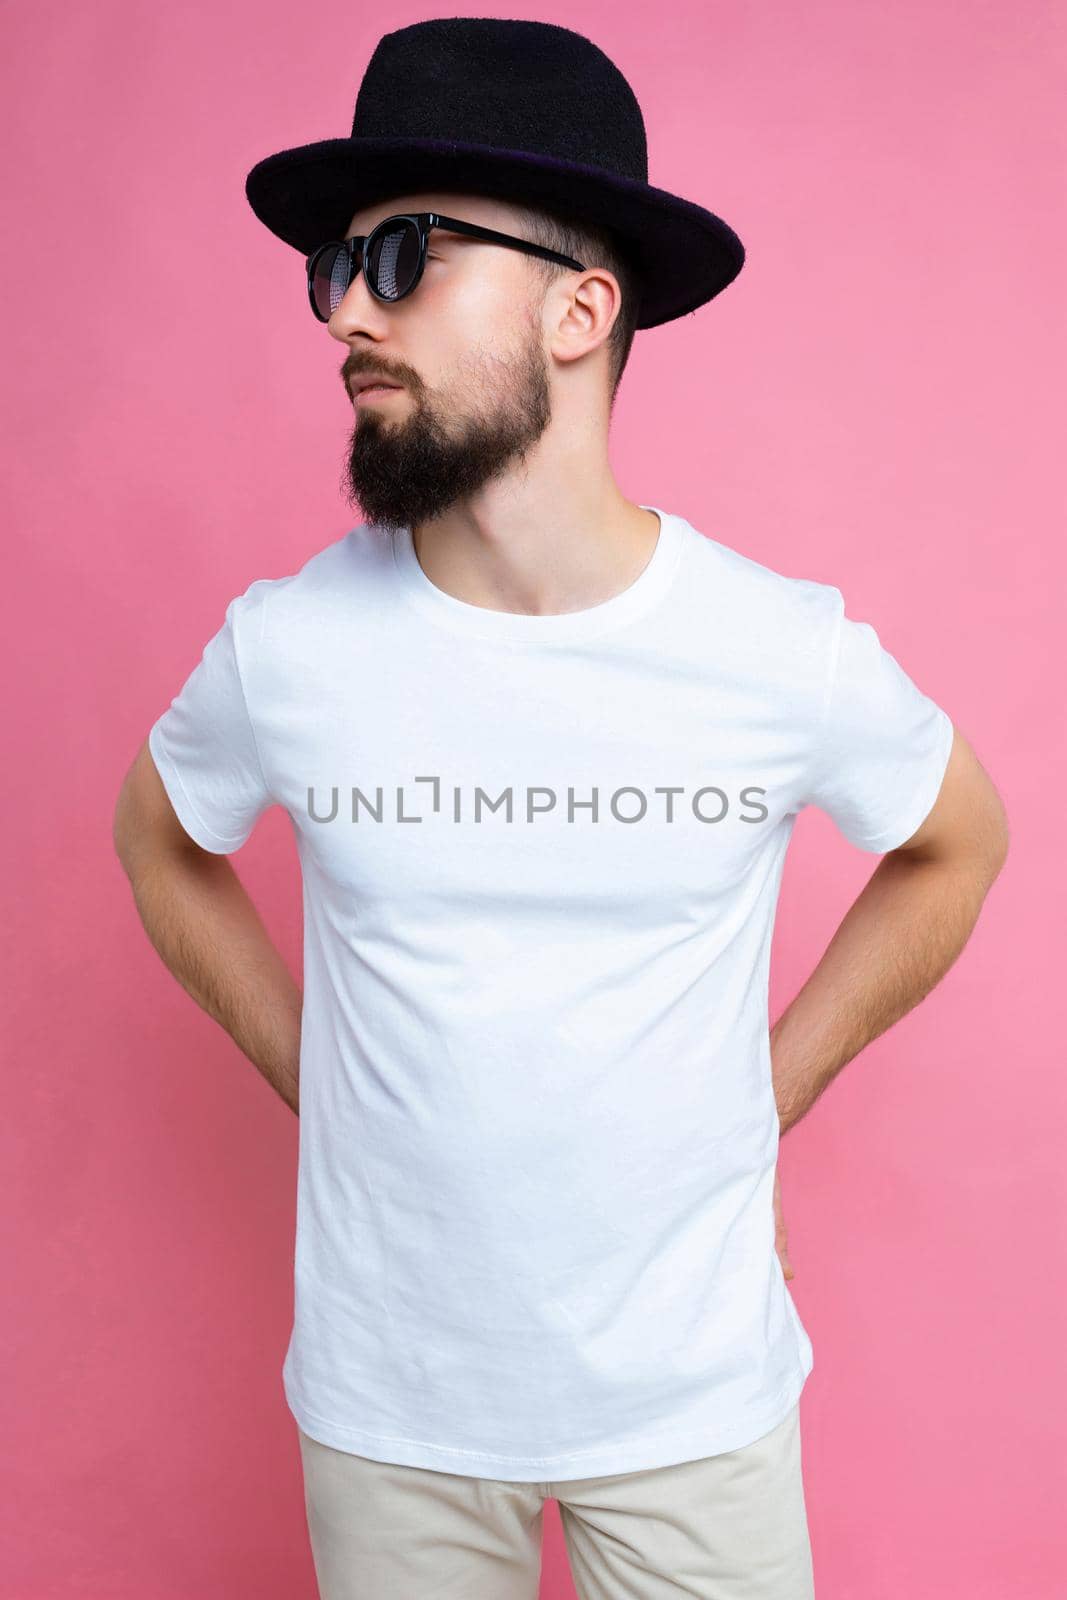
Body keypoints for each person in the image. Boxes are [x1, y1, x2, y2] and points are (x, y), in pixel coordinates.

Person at [112, 19, 1009, 1600]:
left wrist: (762, 1097)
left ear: (583, 307)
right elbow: (158, 842)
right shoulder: (291, 647)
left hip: (691, 1407)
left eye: (401, 257)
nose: (342, 313)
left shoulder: (772, 650)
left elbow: (960, 841)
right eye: (333, 264)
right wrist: (322, 1075)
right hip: (389, 1416)